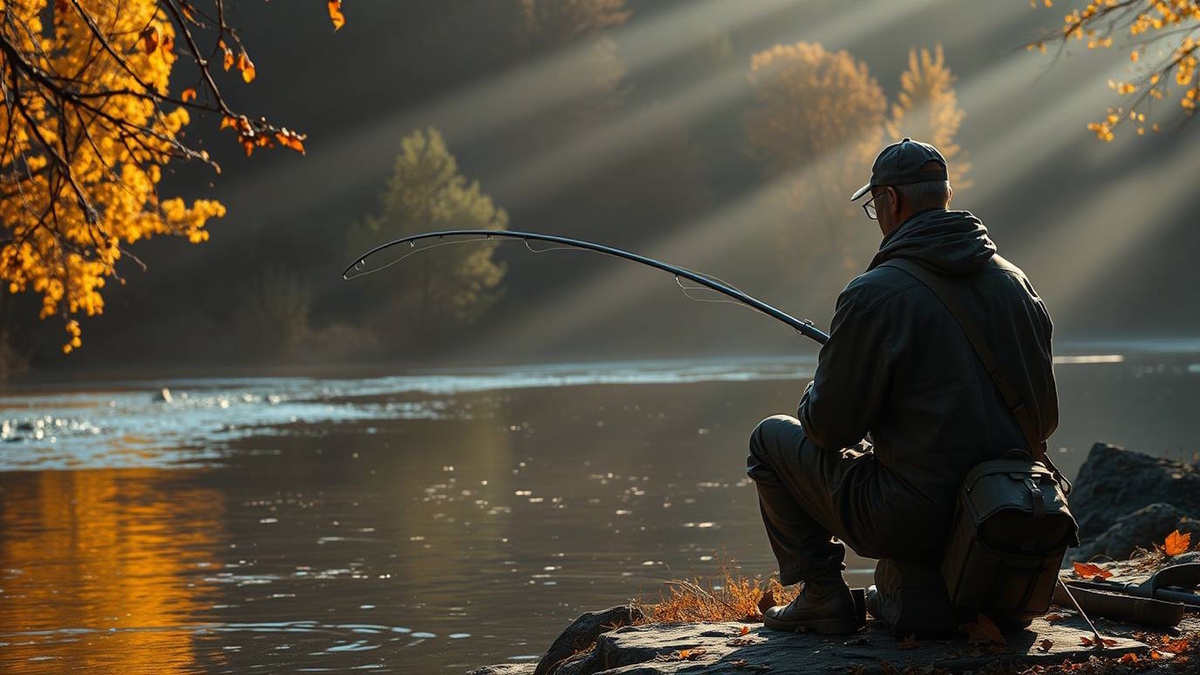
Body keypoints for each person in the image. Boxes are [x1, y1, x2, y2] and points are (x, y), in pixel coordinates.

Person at [747, 138, 1058, 634]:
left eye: (874, 205)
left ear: (891, 200)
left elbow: (828, 430)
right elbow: (1045, 420)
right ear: (944, 196)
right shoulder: (1018, 284)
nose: (878, 215)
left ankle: (822, 593)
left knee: (768, 440)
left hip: (913, 517)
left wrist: (813, 396)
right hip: (1006, 506)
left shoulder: (874, 294)